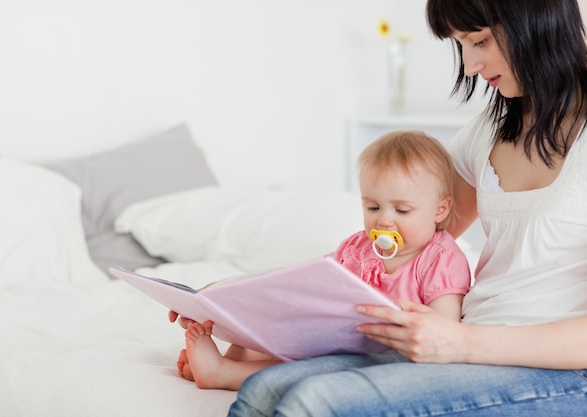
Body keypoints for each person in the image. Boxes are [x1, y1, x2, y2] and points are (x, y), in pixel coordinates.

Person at [226, 0, 587, 415]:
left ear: (536, 20)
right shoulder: (488, 130)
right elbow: (408, 232)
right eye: (460, 45)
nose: (469, 65)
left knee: (315, 402)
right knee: (262, 391)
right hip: (470, 344)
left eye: (480, 40)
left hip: (564, 370)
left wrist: (461, 343)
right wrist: (250, 302)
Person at [172, 130, 472, 390]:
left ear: (440, 210)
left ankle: (223, 374)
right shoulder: (358, 247)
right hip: (334, 340)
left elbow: (443, 332)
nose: (384, 221)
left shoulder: (440, 261)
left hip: (384, 357)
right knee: (264, 332)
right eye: (373, 206)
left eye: (402, 211)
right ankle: (222, 362)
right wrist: (221, 293)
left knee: (320, 370)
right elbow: (305, 279)